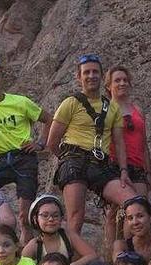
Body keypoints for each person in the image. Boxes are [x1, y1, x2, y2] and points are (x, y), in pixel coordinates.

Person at [47, 53, 136, 236]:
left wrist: (124, 171)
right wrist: (66, 160)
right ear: (79, 77)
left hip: (100, 165)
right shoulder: (70, 103)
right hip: (74, 160)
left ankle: (124, 255)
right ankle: (67, 261)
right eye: (86, 72)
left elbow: (119, 144)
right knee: (75, 217)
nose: (91, 76)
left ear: (102, 76)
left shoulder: (112, 107)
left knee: (133, 203)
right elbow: (52, 141)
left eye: (95, 72)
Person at [0, 60, 53, 244]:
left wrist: (40, 143)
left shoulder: (20, 102)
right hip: (2, 160)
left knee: (25, 216)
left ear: (3, 79)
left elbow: (49, 119)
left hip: (24, 158)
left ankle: (27, 256)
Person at [22, 194, 108, 265]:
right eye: (45, 215)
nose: (51, 219)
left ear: (61, 218)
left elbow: (91, 255)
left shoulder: (68, 236)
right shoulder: (34, 245)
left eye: (55, 215)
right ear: (35, 219)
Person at [104, 66, 151, 245]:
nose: (122, 83)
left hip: (138, 167)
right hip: (114, 166)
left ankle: (132, 255)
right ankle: (111, 258)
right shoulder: (106, 109)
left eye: (125, 80)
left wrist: (149, 173)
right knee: (112, 215)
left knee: (139, 211)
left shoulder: (137, 110)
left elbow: (144, 144)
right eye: (117, 80)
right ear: (108, 86)